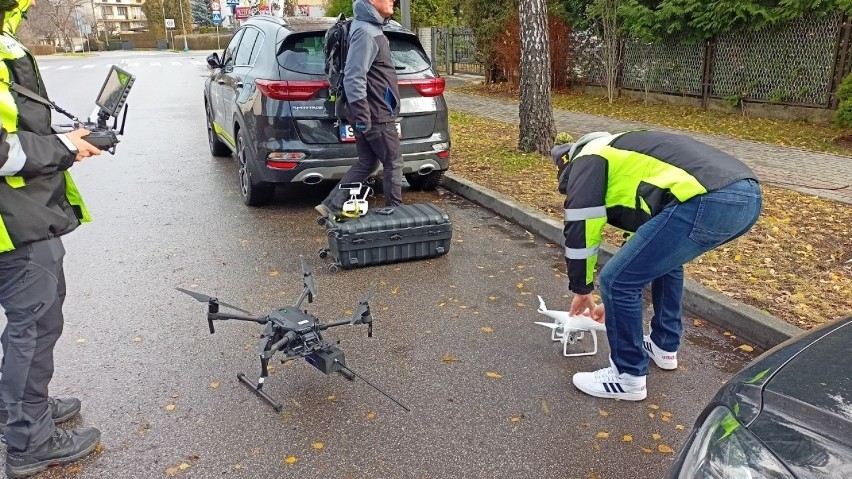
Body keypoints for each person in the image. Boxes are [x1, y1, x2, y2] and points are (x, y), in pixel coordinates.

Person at [552, 130, 762, 401]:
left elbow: (581, 225)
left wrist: (581, 288)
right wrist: (617, 304)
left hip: (708, 197)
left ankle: (627, 377)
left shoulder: (589, 156)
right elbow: (645, 240)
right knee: (666, 265)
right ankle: (664, 346)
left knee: (615, 279)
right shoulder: (627, 154)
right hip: (747, 196)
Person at [0, 0, 103, 476]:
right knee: (33, 328)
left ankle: (22, 411)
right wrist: (63, 146)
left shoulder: (6, 35)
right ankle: (30, 440)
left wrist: (64, 138)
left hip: (23, 215)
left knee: (33, 324)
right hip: (12, 223)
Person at [316, 0, 402, 217]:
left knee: (368, 162)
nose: (393, 0)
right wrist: (363, 115)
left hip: (369, 111)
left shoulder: (367, 27)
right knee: (393, 162)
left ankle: (331, 204)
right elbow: (354, 76)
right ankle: (396, 215)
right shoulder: (365, 31)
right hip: (375, 113)